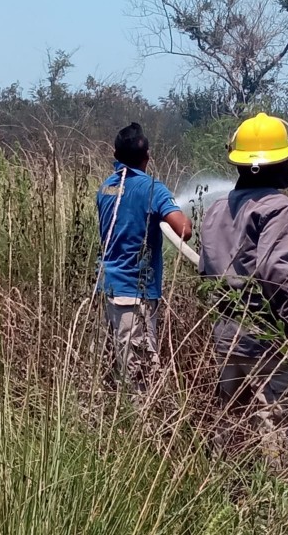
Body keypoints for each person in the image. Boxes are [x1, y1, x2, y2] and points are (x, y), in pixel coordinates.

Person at [197, 112, 288, 453]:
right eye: (286, 159)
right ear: (274, 165)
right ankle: (281, 506)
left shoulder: (216, 209)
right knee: (281, 440)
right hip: (266, 344)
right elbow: (274, 272)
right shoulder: (278, 207)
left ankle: (223, 498)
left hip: (226, 338)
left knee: (230, 435)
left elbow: (206, 274)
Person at [96, 122, 192, 391]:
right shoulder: (153, 189)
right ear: (147, 156)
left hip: (108, 289)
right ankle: (142, 430)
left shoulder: (106, 188)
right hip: (135, 296)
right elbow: (183, 230)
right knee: (140, 379)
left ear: (116, 156)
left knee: (116, 370)